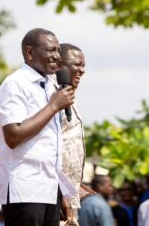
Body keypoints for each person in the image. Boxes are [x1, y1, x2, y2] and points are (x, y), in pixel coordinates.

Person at [0, 28, 76, 226]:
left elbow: (47, 148)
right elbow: (13, 136)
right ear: (30, 53)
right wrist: (54, 106)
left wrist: (59, 191)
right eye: (50, 50)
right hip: (24, 190)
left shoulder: (50, 86)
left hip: (48, 191)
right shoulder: (15, 84)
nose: (57, 56)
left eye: (58, 50)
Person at [58, 43, 85, 226]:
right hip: (58, 198)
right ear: (59, 66)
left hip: (71, 198)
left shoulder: (70, 99)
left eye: (84, 66)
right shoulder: (53, 99)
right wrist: (60, 192)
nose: (82, 71)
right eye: (77, 65)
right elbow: (47, 149)